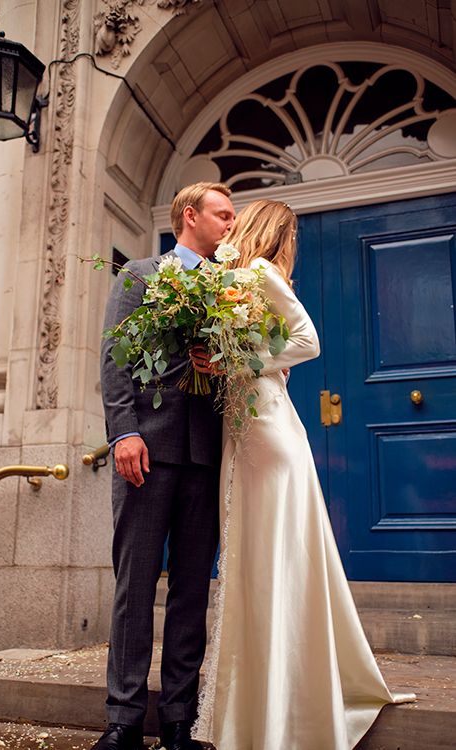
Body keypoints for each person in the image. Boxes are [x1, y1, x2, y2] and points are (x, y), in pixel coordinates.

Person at [190, 199, 415, 750]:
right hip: (245, 428)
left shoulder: (258, 275)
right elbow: (285, 346)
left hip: (269, 430)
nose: (293, 249)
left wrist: (240, 360)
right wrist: (222, 356)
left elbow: (307, 342)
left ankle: (285, 698)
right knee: (255, 555)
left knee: (276, 554)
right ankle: (261, 694)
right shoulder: (237, 276)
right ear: (280, 233)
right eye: (293, 238)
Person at [95, 182, 236, 750]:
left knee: (191, 590)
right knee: (134, 586)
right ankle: (123, 720)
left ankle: (179, 719)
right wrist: (123, 432)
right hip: (144, 453)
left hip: (205, 456)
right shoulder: (139, 276)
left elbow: (249, 367)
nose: (231, 224)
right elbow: (115, 358)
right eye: (222, 214)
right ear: (189, 216)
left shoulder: (232, 291)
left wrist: (224, 362)